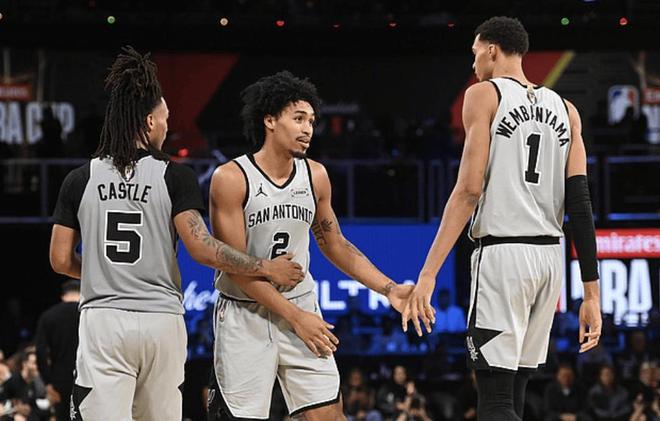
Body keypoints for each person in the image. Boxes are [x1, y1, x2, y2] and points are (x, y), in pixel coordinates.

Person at [48, 47, 304, 421]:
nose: (167, 127)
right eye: (166, 119)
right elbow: (201, 247)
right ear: (151, 121)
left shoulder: (79, 178)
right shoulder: (174, 176)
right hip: (161, 321)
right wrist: (265, 267)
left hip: (104, 320)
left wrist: (108, 272)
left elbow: (59, 260)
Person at [401, 16, 602, 421]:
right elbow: (580, 205)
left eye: (475, 52)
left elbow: (468, 191)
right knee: (514, 398)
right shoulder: (567, 111)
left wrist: (428, 273)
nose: (473, 62)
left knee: (493, 402)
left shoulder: (483, 95)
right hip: (549, 262)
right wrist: (592, 295)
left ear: (491, 49)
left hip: (504, 256)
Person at [206, 71, 413, 420]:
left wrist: (388, 288)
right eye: (298, 118)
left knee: (330, 415)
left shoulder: (315, 175)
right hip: (246, 313)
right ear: (270, 120)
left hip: (300, 304)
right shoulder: (230, 178)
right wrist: (296, 318)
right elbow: (235, 267)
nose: (308, 129)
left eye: (312, 121)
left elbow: (335, 244)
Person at [33, 279, 81, 421]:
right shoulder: (88, 314)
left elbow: (40, 352)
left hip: (60, 381)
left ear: (63, 296)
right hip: (86, 377)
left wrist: (48, 382)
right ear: (81, 293)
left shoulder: (48, 316)